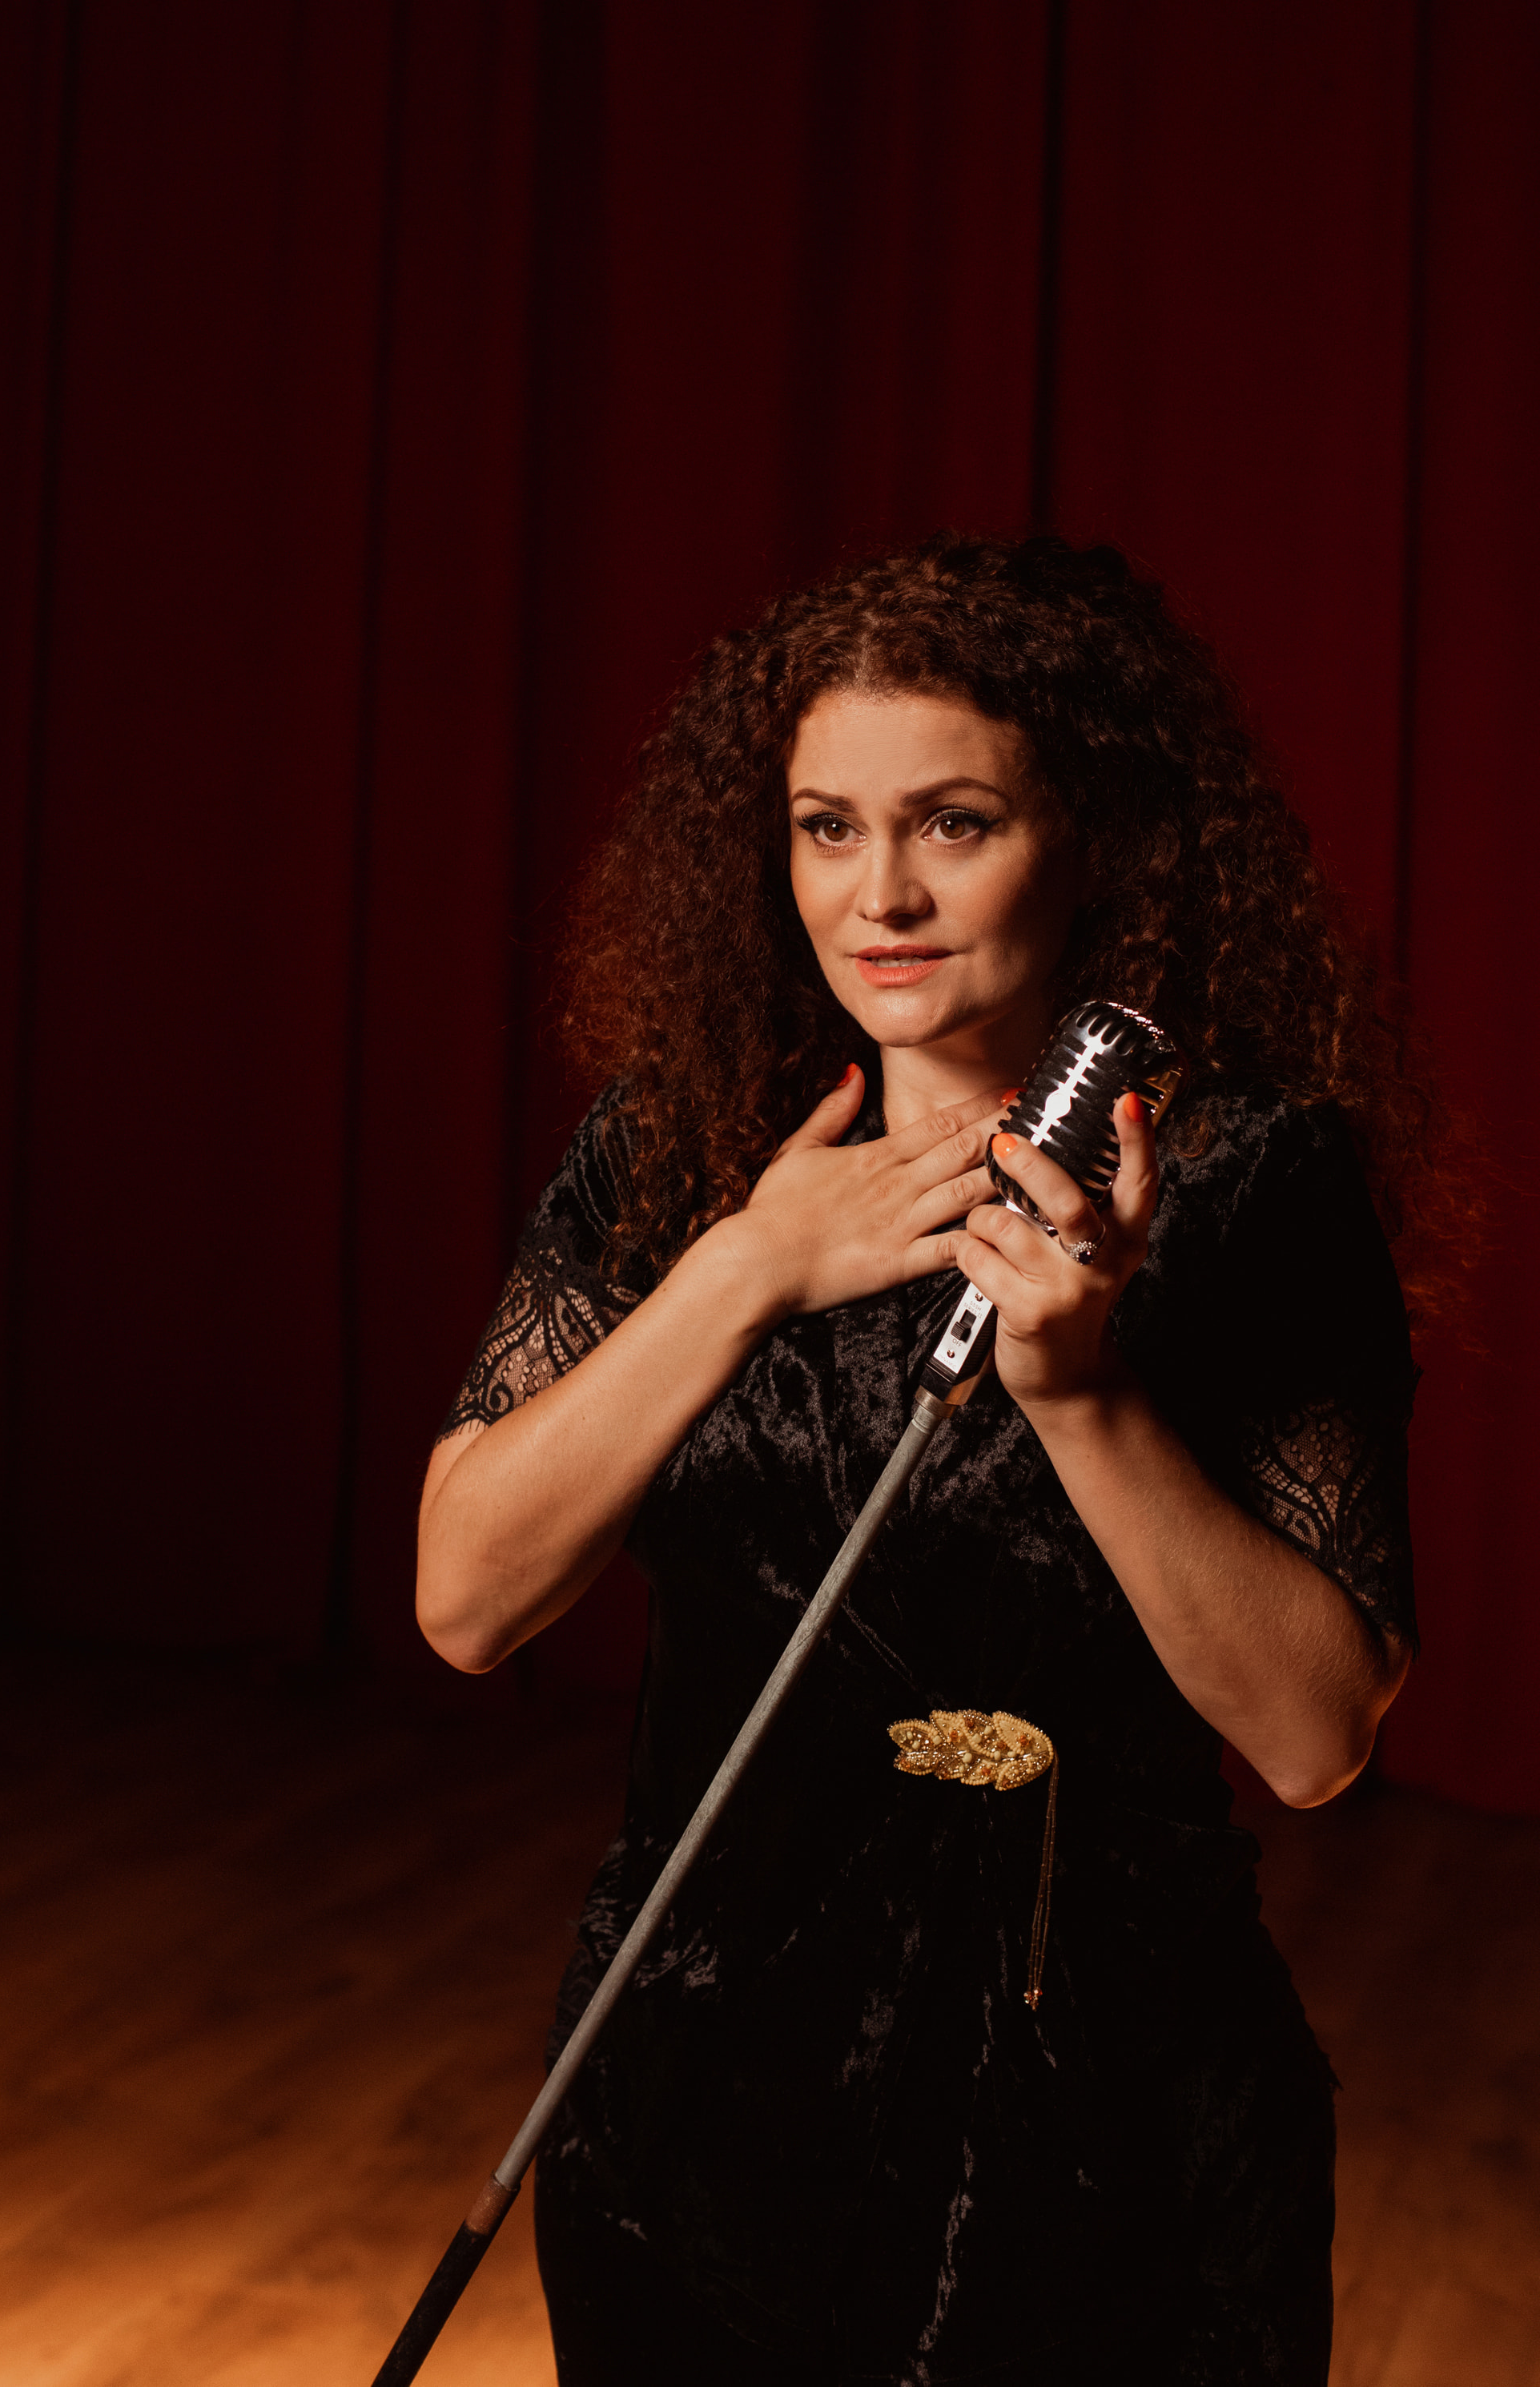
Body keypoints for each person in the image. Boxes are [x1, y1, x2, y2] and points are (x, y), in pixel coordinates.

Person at [416, 536, 1425, 2385]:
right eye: (827, 827)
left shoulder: (1252, 1186)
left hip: (1113, 2124)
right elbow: (466, 1601)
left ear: (1093, 837)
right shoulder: (680, 1150)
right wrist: (745, 1268)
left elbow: (1313, 1732)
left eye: (952, 822)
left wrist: (1077, 1390)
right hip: (701, 2093)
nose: (877, 893)